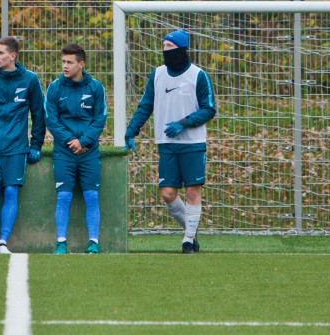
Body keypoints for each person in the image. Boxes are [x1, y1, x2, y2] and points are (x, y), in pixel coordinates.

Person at [123, 29, 216, 253]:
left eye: (170, 47)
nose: (165, 51)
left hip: (192, 143)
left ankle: (187, 241)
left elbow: (209, 109)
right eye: (163, 47)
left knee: (193, 192)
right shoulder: (157, 75)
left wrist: (184, 123)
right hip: (166, 144)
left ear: (182, 50)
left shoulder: (198, 75)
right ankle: (191, 231)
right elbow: (145, 105)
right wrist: (131, 130)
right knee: (168, 194)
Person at [0, 35, 45, 254]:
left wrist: (36, 145)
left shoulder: (30, 80)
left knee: (11, 192)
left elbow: (39, 115)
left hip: (17, 147)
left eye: (0, 53)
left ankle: (3, 241)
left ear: (12, 56)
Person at [44, 43, 106, 254]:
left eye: (69, 62)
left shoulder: (96, 87)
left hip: (89, 152)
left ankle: (94, 243)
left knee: (91, 196)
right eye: (63, 62)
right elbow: (51, 119)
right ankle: (61, 242)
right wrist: (71, 140)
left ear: (81, 64)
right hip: (64, 152)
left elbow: (99, 119)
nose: (65, 66)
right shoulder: (55, 87)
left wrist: (85, 141)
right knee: (63, 197)